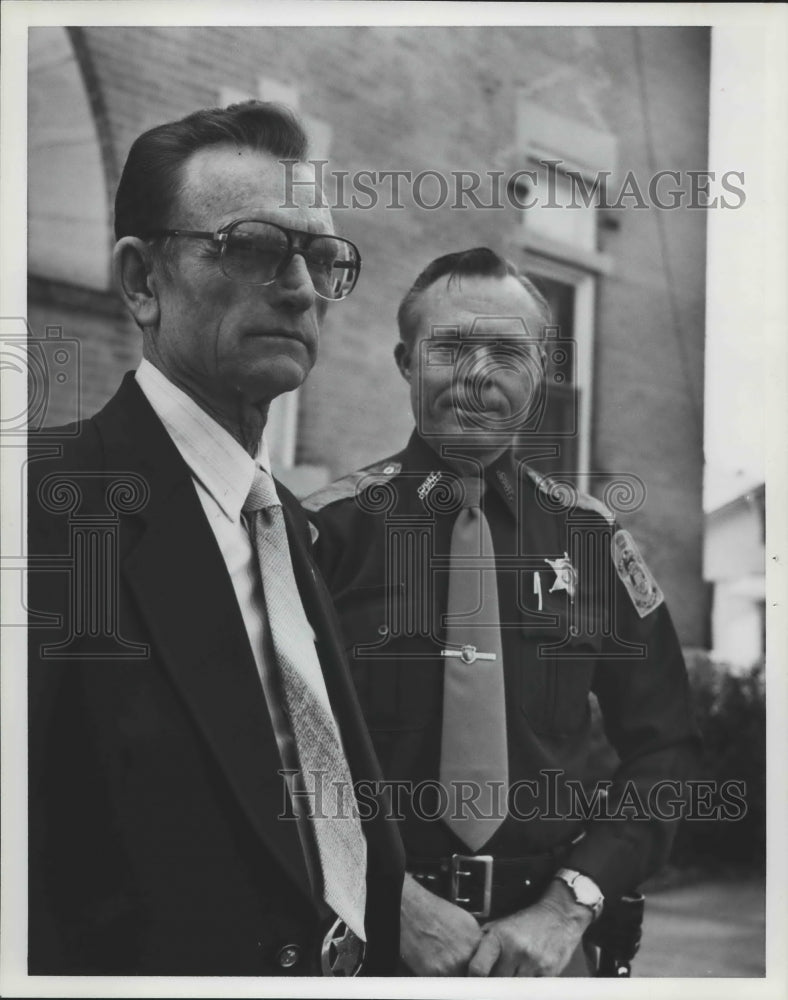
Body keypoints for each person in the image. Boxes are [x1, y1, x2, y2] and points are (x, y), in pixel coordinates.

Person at [27, 101, 404, 976]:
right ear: (141, 281)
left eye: (319, 256)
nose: (302, 285)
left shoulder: (293, 532)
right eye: (254, 246)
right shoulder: (46, 508)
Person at [305, 247, 700, 977]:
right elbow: (270, 753)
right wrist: (387, 899)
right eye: (450, 346)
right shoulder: (320, 538)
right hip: (367, 944)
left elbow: (665, 746)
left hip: (550, 952)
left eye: (507, 352)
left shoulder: (593, 541)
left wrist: (571, 903)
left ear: (541, 373)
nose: (478, 374)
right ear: (404, 361)